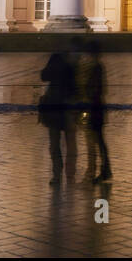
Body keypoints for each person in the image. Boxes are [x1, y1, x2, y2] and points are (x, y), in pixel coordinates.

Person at [39, 52, 78, 186]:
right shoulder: (71, 64)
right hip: (67, 107)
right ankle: (70, 173)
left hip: (55, 108)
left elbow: (43, 76)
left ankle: (57, 174)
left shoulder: (56, 59)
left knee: (55, 144)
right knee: (70, 143)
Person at [79, 41, 112, 183]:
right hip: (97, 108)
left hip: (92, 108)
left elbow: (93, 89)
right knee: (98, 141)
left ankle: (95, 171)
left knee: (93, 141)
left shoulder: (93, 67)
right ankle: (104, 170)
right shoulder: (97, 66)